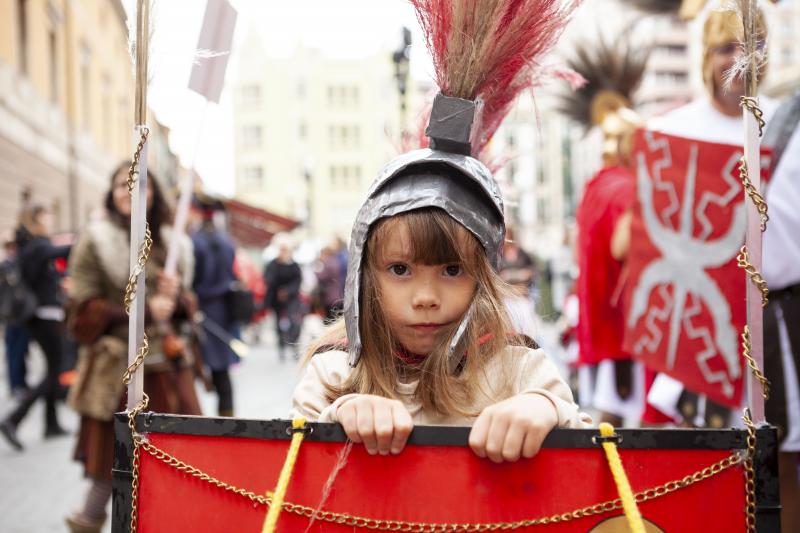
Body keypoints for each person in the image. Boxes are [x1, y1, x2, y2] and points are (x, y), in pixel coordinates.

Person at [290, 0, 590, 460]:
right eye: (400, 269)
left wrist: (540, 407)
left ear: (484, 273)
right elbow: (291, 453)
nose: (426, 295)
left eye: (451, 270)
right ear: (364, 276)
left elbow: (579, 434)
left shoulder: (518, 369)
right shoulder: (335, 375)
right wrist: (343, 413)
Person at [63, 162, 202, 532]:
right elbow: (81, 310)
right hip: (119, 371)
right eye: (121, 185)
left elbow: (189, 308)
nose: (130, 191)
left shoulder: (174, 243)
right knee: (113, 461)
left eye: (140, 185)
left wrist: (177, 301)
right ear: (111, 193)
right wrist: (138, 312)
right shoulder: (96, 240)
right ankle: (90, 520)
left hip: (168, 369)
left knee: (180, 458)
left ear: (153, 194)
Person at [558, 33, 648, 426]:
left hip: (603, 329)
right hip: (624, 329)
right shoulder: (627, 187)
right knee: (637, 432)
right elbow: (623, 245)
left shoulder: (597, 186)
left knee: (611, 425)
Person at [0, 204, 71, 450]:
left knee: (53, 367)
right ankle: (13, 419)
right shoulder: (39, 245)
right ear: (36, 220)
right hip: (44, 315)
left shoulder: (27, 246)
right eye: (46, 216)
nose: (50, 220)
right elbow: (64, 251)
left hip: (40, 315)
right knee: (54, 370)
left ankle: (51, 423)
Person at [190, 193, 240, 417]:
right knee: (222, 374)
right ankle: (226, 424)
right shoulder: (227, 241)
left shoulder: (194, 241)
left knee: (192, 371)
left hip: (202, 310)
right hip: (224, 310)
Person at [263, 235, 303, 361]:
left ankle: (293, 344)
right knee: (278, 324)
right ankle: (281, 346)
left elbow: (297, 281)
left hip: (291, 298)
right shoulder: (273, 265)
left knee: (294, 322)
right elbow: (268, 279)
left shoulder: (294, 266)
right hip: (276, 299)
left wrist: (288, 291)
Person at [1, 230, 30, 398]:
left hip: (20, 314)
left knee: (22, 350)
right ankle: (15, 385)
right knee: (14, 351)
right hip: (12, 315)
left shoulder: (16, 263)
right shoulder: (6, 266)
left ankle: (21, 382)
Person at [314, 245, 344, 324]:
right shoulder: (335, 262)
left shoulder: (328, 264)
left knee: (331, 320)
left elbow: (321, 276)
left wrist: (316, 270)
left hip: (330, 298)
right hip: (337, 295)